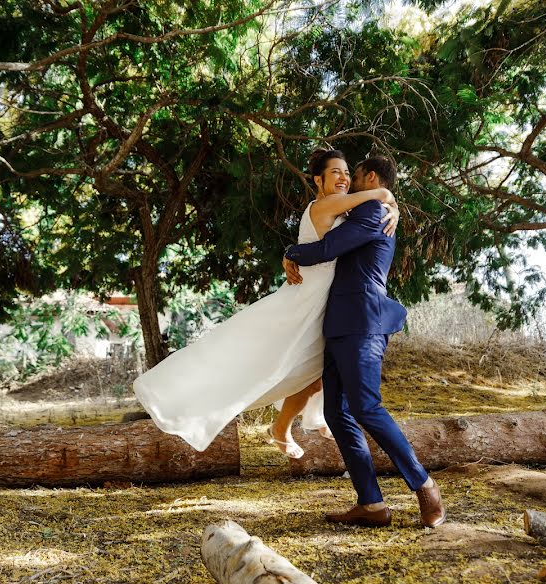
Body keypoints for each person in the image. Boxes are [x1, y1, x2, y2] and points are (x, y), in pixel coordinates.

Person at [132, 149, 399, 455]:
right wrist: (386, 197)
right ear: (318, 180)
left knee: (310, 370)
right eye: (336, 172)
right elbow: (374, 199)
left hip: (325, 298)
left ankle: (287, 426)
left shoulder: (345, 209)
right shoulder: (329, 204)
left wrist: (392, 207)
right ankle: (275, 422)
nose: (344, 178)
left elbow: (367, 216)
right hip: (309, 296)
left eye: (348, 173)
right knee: (267, 361)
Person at [284, 155, 446, 528]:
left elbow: (325, 249)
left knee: (366, 408)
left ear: (370, 177)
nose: (346, 182)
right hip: (339, 323)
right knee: (336, 413)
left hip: (364, 321)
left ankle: (426, 487)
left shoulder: (373, 211)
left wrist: (289, 252)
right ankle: (371, 504)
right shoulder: (366, 209)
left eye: (352, 175)